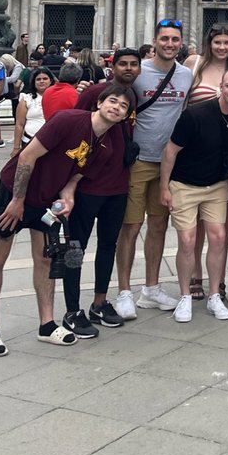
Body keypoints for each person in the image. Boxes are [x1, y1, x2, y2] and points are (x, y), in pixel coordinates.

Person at [0, 86, 133, 355]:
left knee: (46, 259)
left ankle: (47, 325)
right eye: (112, 101)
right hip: (16, 191)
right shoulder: (67, 120)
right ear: (100, 103)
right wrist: (17, 201)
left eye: (123, 106)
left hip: (47, 202)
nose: (116, 107)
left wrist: (67, 197)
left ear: (126, 115)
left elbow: (75, 176)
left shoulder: (105, 146)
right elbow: (27, 156)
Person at [160, 67, 228, 322]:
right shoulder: (195, 114)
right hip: (185, 183)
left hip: (216, 185)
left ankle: (214, 295)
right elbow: (170, 151)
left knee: (219, 237)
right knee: (187, 240)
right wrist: (164, 187)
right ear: (220, 87)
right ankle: (184, 296)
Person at [114, 19, 193, 320]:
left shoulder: (186, 75)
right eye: (165, 39)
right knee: (131, 227)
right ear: (155, 41)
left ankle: (151, 288)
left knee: (158, 226)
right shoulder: (138, 72)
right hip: (138, 160)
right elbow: (114, 99)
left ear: (181, 42)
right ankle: (123, 291)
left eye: (175, 39)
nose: (170, 44)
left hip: (169, 164)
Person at [64, 49, 143, 334]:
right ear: (113, 65)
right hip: (86, 187)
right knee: (75, 248)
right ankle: (72, 309)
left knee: (108, 245)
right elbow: (73, 125)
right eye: (123, 63)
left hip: (117, 186)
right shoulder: (95, 92)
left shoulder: (134, 97)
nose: (129, 68)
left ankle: (99, 302)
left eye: (134, 64)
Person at [183, 24, 228, 299]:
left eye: (226, 42)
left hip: (224, 153)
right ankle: (196, 273)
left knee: (220, 220)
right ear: (209, 43)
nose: (222, 47)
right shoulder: (193, 64)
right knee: (194, 219)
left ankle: (217, 277)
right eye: (217, 42)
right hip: (192, 149)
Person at [13, 67, 56, 152]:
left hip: (53, 142)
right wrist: (16, 147)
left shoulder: (58, 97)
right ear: (34, 82)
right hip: (29, 141)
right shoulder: (26, 99)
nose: (42, 81)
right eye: (38, 79)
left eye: (45, 79)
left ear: (50, 81)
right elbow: (19, 124)